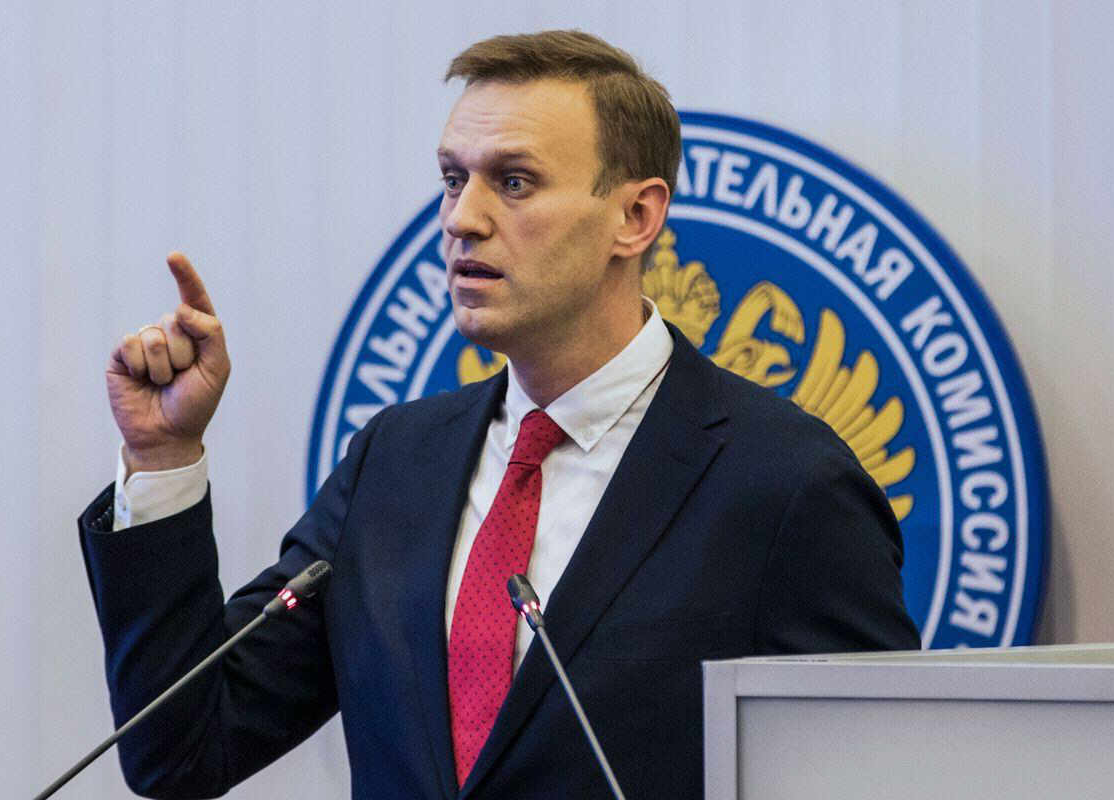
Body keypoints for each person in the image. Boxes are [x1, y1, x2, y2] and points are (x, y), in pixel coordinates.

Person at [79, 30, 919, 799]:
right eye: (454, 179)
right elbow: (182, 749)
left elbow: (881, 775)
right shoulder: (394, 462)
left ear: (635, 217)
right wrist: (163, 456)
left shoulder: (784, 484)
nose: (462, 219)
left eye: (514, 182)